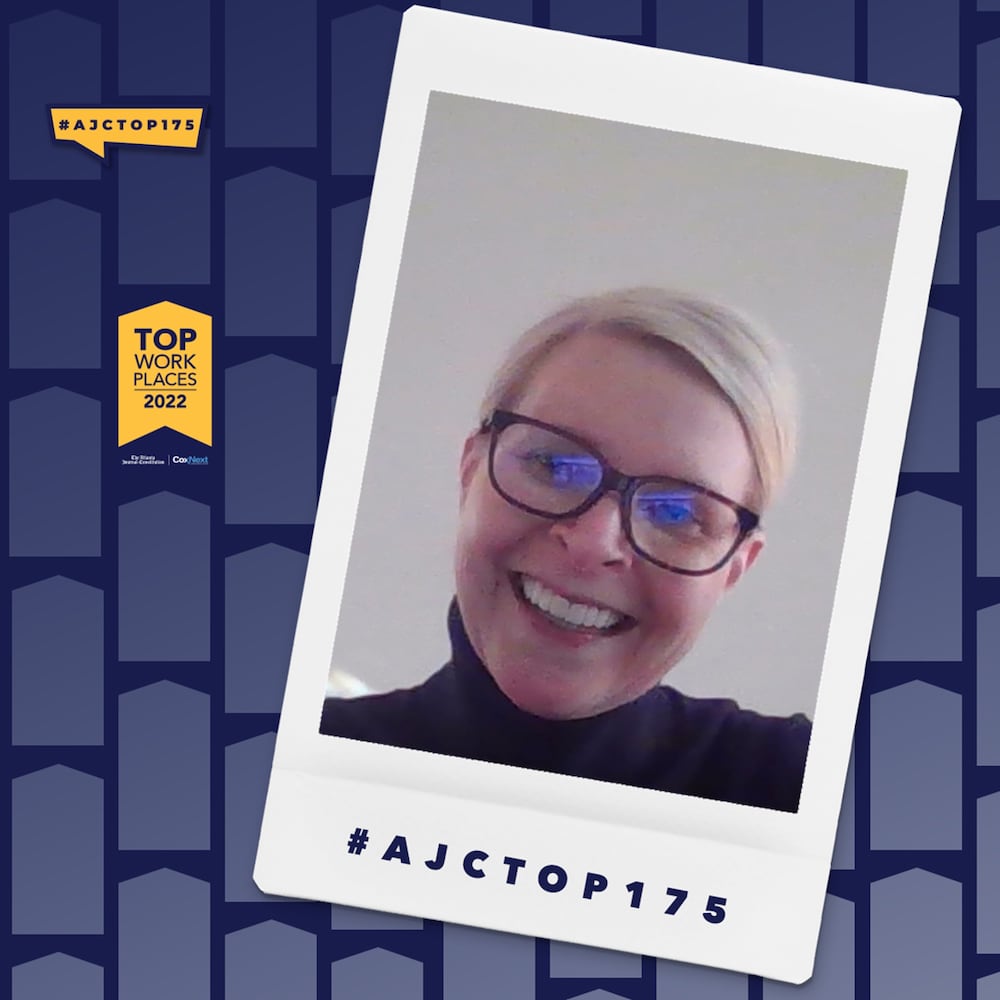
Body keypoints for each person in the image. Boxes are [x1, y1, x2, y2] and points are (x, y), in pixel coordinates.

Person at [320, 288, 810, 812]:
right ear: (470, 470)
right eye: (554, 466)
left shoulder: (805, 787)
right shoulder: (301, 759)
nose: (593, 543)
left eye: (675, 513)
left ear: (734, 568)